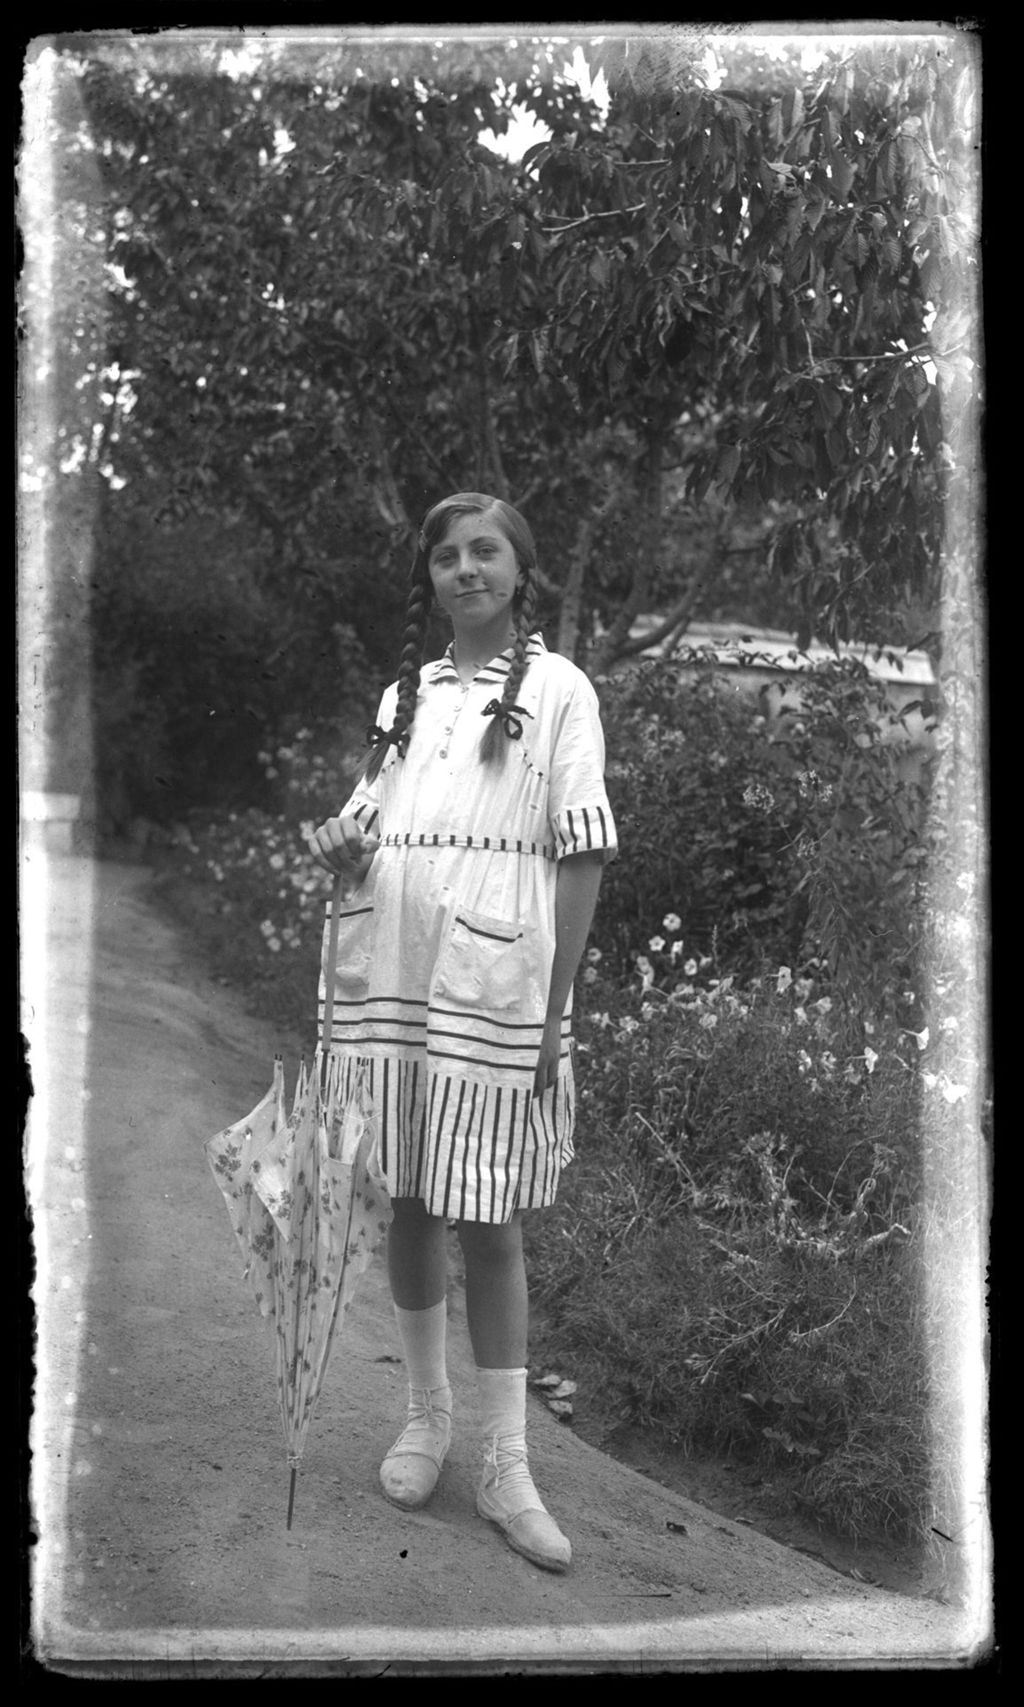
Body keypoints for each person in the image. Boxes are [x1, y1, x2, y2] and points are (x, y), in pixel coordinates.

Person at [308, 492, 617, 1573]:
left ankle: (505, 1462)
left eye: (484, 551)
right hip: (396, 976)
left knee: (488, 1218)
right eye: (445, 555)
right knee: (412, 1196)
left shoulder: (559, 691)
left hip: (496, 985)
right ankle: (425, 1419)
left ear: (519, 570)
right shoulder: (405, 694)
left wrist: (552, 1012)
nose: (463, 569)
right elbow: (369, 822)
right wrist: (342, 848)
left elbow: (578, 854)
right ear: (431, 578)